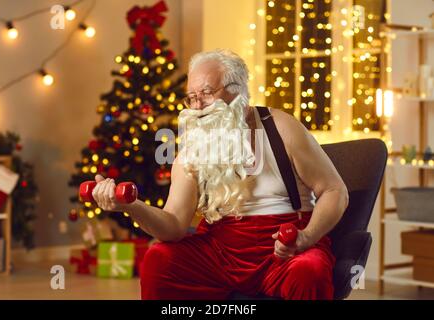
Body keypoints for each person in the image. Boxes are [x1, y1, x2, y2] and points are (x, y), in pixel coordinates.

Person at [91, 49, 349, 300]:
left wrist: (306, 237)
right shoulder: (192, 149)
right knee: (159, 261)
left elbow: (334, 190)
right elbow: (173, 226)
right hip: (219, 251)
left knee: (309, 271)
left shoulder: (281, 127)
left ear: (238, 91)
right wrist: (131, 206)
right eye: (191, 97)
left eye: (206, 92)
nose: (198, 105)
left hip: (285, 247)